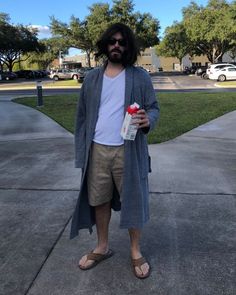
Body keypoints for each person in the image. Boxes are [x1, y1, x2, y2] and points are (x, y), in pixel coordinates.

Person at [70, 23, 160, 279]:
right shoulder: (92, 78)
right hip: (97, 150)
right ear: (105, 46)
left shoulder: (139, 76)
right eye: (112, 41)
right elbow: (82, 117)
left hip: (128, 150)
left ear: (128, 47)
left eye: (121, 42)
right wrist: (81, 153)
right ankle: (102, 246)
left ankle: (135, 251)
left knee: (133, 199)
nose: (116, 46)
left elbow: (154, 107)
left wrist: (148, 120)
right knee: (99, 200)